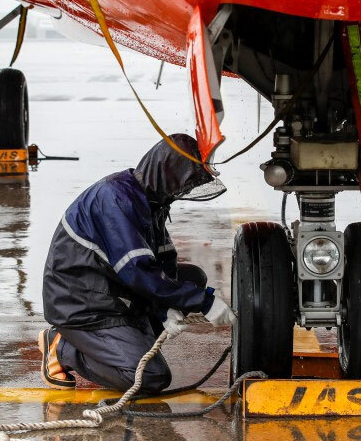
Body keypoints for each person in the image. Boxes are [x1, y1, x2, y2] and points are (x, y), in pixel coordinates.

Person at [37, 134, 235, 392]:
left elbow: (163, 262)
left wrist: (164, 308)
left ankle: (125, 344)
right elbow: (137, 271)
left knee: (192, 279)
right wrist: (204, 302)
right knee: (151, 378)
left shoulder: (152, 200)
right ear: (168, 172)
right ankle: (63, 346)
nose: (184, 191)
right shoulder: (116, 199)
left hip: (112, 289)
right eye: (184, 184)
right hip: (83, 303)